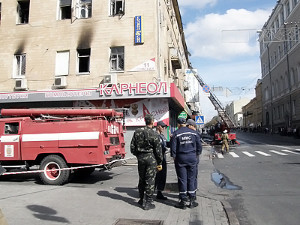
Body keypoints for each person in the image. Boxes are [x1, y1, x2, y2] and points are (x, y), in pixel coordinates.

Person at [130, 114, 163, 210]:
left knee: (142, 179)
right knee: (150, 180)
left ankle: (141, 199)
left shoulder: (137, 132)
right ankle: (148, 202)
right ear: (152, 122)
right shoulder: (154, 134)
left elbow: (132, 147)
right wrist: (160, 161)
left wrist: (138, 155)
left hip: (141, 158)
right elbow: (158, 150)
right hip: (151, 159)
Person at [171, 118, 202, 209]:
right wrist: (196, 154)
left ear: (179, 124)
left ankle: (183, 201)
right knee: (191, 178)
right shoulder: (194, 133)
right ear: (186, 124)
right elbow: (199, 147)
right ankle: (192, 201)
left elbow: (173, 149)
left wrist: (174, 157)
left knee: (182, 179)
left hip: (181, 158)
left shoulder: (176, 133)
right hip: (192, 157)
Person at [186, 119, 202, 198]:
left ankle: (192, 192)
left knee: (192, 176)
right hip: (193, 157)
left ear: (192, 125)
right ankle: (191, 193)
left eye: (188, 126)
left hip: (193, 157)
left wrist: (197, 154)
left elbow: (199, 147)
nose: (187, 127)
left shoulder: (196, 134)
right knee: (191, 176)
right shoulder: (195, 133)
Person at [155, 121, 169, 200]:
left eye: (164, 127)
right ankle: (149, 195)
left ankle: (159, 192)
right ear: (158, 127)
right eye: (162, 127)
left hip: (163, 159)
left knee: (162, 176)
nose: (164, 128)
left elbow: (167, 144)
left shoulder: (162, 136)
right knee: (156, 177)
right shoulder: (155, 136)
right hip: (157, 160)